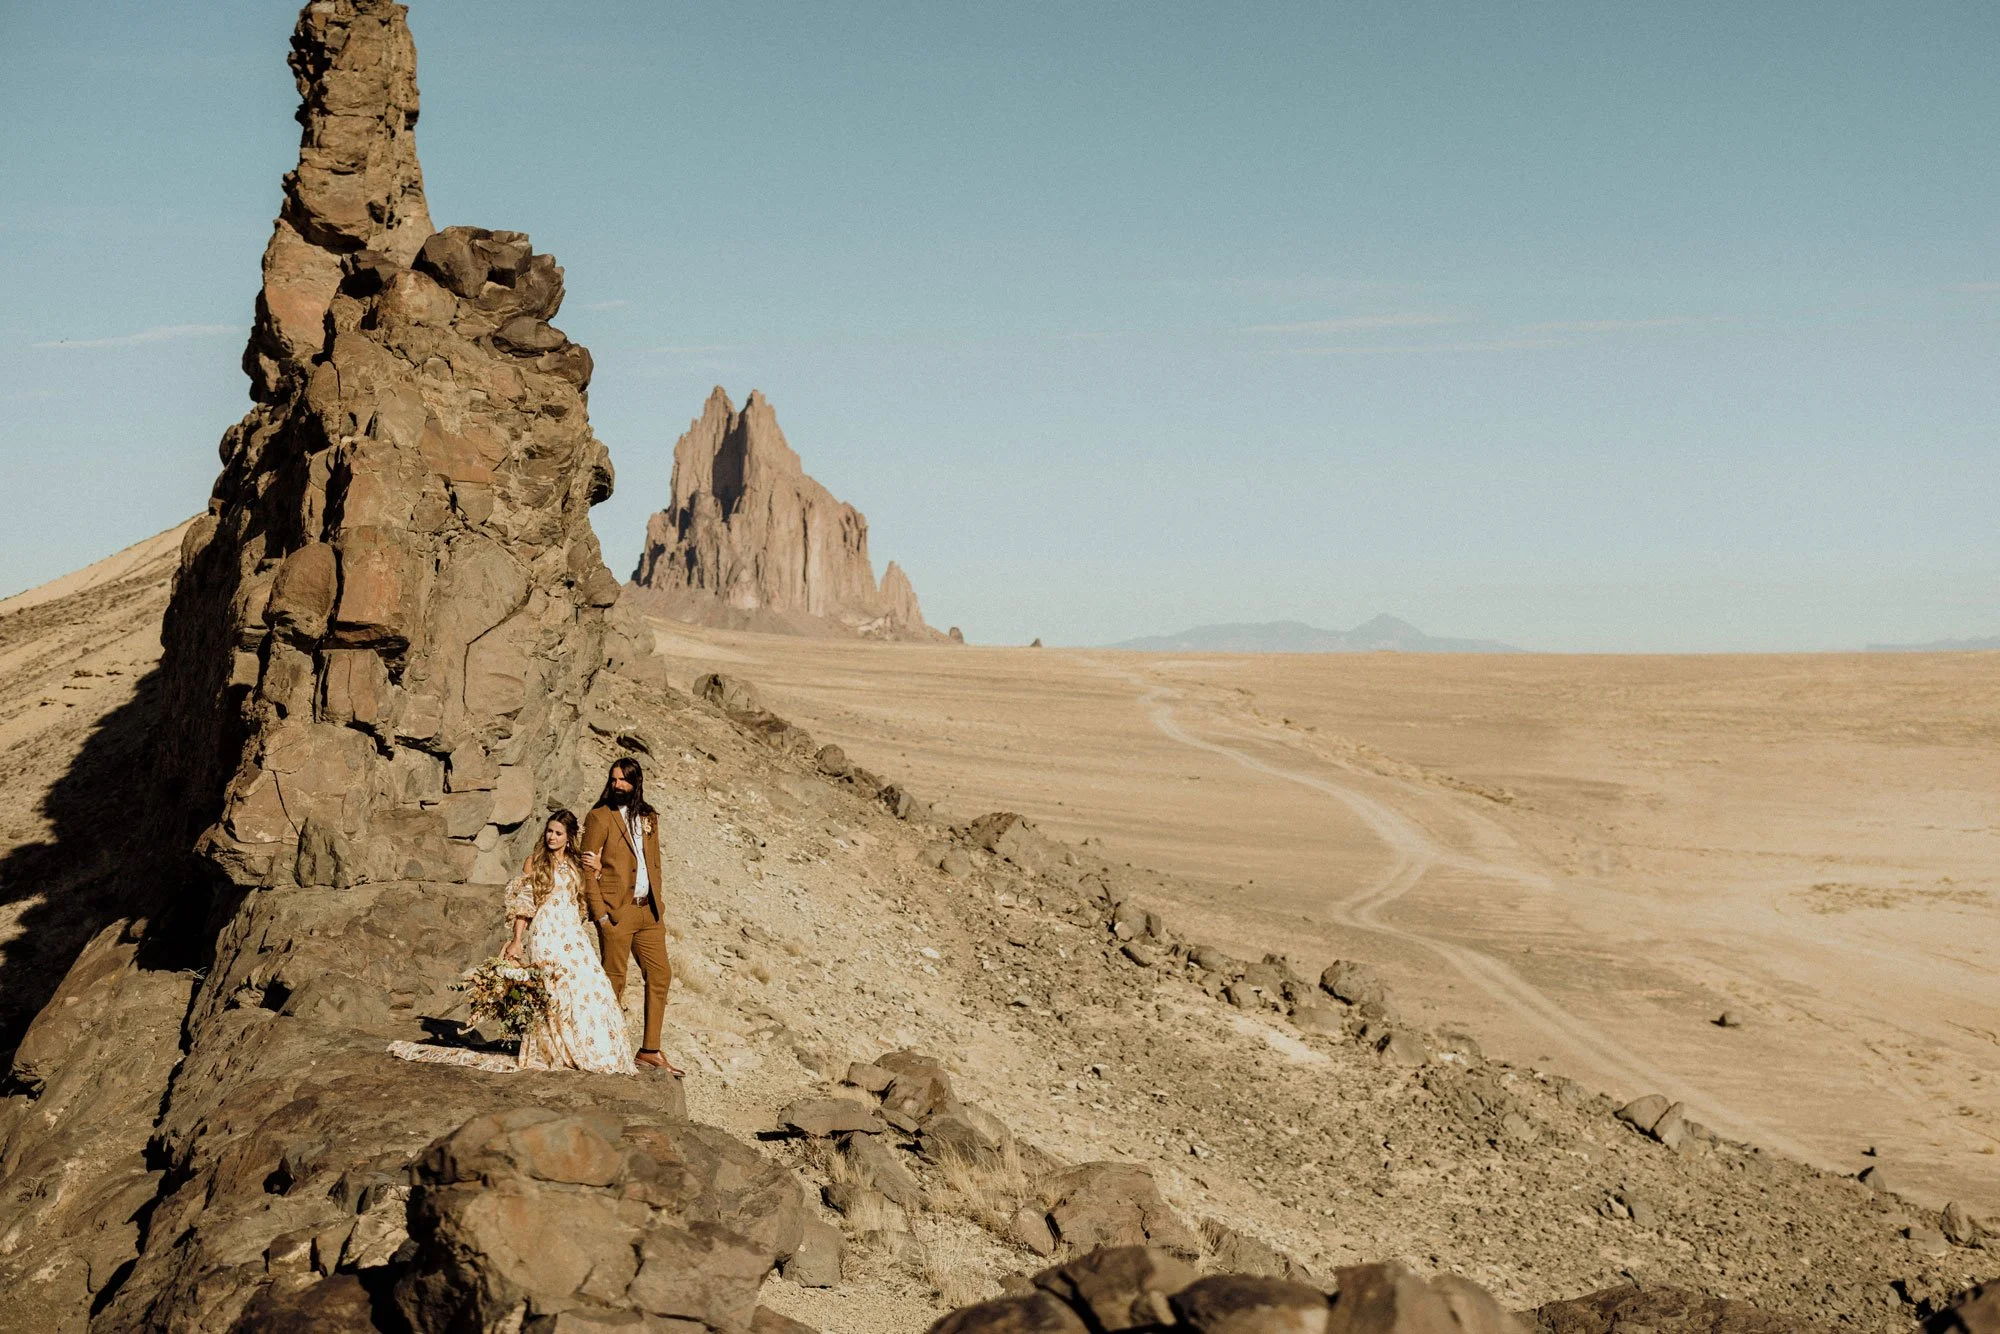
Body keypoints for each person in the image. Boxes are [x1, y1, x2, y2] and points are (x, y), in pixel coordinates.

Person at [389, 809, 634, 1074]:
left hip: (572, 934)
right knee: (553, 991)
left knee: (590, 985)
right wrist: (517, 941)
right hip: (547, 933)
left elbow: (584, 900)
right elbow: (524, 906)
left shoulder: (576, 864)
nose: (552, 837)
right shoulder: (535, 863)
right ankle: (551, 1051)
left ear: (569, 837)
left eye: (558, 833)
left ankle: (591, 1049)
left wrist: (595, 873)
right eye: (549, 831)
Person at [580, 758, 682, 1075]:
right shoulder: (599, 817)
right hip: (616, 912)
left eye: (624, 780)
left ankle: (649, 1050)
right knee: (614, 981)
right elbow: (586, 869)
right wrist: (600, 916)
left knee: (660, 975)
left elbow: (655, 863)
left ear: (636, 782)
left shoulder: (648, 816)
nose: (617, 785)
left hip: (648, 912)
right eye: (613, 780)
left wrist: (659, 905)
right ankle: (603, 1047)